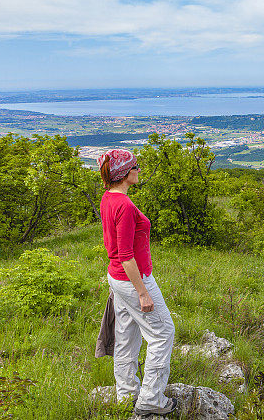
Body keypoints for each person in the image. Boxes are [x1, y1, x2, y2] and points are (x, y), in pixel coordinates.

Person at [98, 149, 177, 416]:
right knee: (163, 333)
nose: (139, 170)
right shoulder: (125, 206)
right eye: (136, 166)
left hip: (117, 279)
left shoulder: (108, 198)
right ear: (125, 173)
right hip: (133, 280)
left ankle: (126, 395)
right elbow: (126, 256)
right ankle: (151, 399)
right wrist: (143, 293)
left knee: (126, 336)